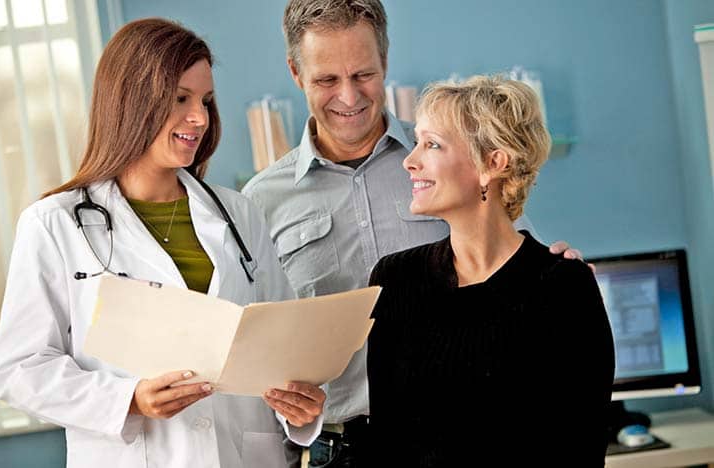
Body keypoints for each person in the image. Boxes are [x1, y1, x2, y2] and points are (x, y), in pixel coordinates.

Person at [241, 1, 583, 465]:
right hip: (335, 447)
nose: (348, 96)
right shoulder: (261, 203)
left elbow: (510, 260)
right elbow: (263, 351)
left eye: (362, 75)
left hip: (457, 438)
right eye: (326, 80)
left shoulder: (449, 164)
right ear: (296, 74)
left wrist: (557, 271)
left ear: (384, 61)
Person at [0, 18, 325, 468]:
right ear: (131, 102)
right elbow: (20, 371)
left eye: (206, 101)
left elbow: (285, 349)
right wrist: (128, 398)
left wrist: (299, 407)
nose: (200, 118)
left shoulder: (238, 213)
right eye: (180, 99)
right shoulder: (54, 225)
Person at [366, 76, 615, 466]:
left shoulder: (565, 287)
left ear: (492, 164)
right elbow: (385, 442)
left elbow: (580, 449)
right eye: (417, 142)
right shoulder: (395, 280)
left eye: (432, 144)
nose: (410, 160)